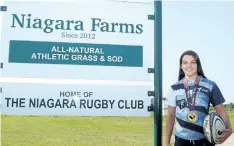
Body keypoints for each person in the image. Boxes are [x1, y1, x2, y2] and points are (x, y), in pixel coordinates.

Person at [165, 50, 232, 146]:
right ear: (181, 66)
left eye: (193, 62)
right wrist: (167, 142)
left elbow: (220, 110)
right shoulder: (174, 88)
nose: (189, 65)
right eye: (185, 63)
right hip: (181, 141)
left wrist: (229, 128)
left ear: (198, 65)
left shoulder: (210, 85)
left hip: (205, 140)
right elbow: (170, 116)